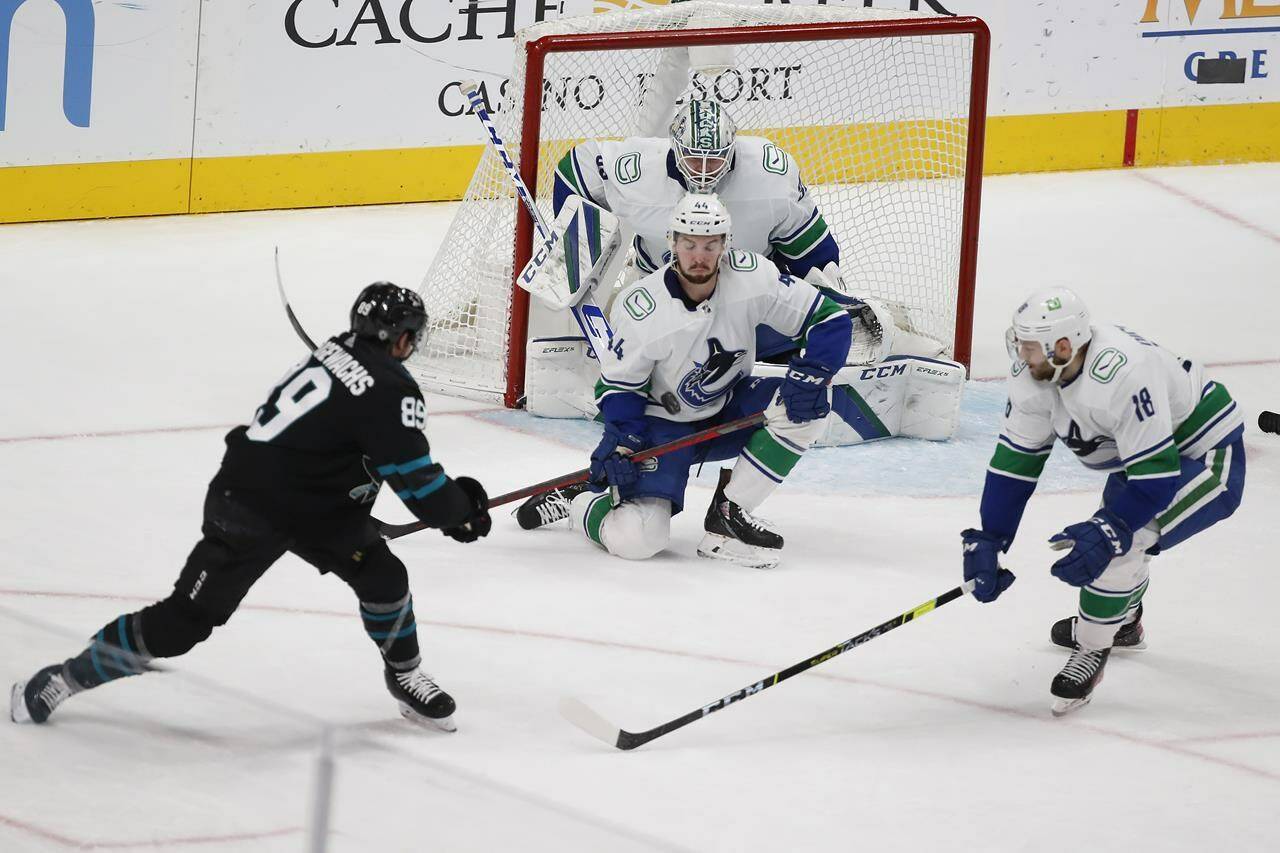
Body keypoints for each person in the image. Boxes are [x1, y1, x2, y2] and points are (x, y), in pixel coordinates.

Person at [10, 284, 491, 731]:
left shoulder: (336, 349)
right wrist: (459, 509)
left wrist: (442, 506)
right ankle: (68, 677)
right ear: (401, 338)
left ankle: (404, 677)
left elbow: (347, 444)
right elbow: (422, 489)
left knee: (384, 577)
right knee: (183, 625)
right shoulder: (391, 390)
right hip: (252, 507)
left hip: (307, 502)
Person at [517, 193, 852, 569]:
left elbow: (829, 318)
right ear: (672, 242)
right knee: (641, 538)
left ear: (726, 244)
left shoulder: (753, 277)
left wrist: (813, 371)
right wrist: (623, 443)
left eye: (710, 245)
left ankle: (729, 516)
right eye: (689, 244)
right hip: (662, 426)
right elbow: (619, 388)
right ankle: (585, 501)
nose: (699, 256)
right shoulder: (642, 307)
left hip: (729, 405)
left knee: (808, 407)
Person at [962, 288, 1245, 715]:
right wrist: (990, 536)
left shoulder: (1124, 373)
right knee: (1118, 538)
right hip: (1141, 460)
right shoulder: (1034, 374)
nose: (1020, 354)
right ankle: (1123, 621)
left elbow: (1157, 481)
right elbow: (1014, 463)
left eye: (1030, 345)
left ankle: (1092, 648)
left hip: (1204, 455)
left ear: (1063, 347)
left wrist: (1108, 532)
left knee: (1121, 541)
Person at [552, 99, 857, 360]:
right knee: (635, 361)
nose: (702, 171)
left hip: (750, 294)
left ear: (731, 152)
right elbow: (575, 171)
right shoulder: (638, 170)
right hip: (658, 288)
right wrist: (574, 249)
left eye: (713, 161)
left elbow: (814, 256)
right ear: (675, 149)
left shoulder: (770, 177)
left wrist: (822, 312)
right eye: (694, 159)